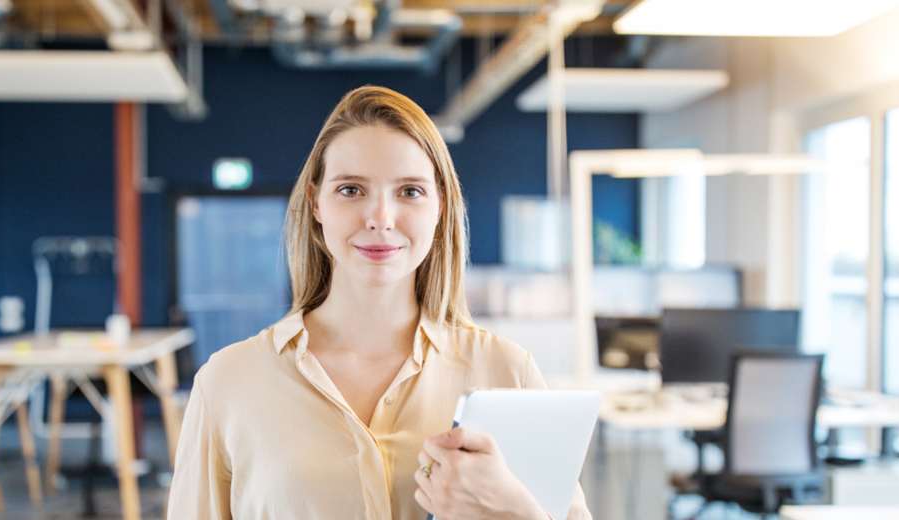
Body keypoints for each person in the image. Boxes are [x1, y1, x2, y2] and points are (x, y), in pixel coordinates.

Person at [166, 86, 592, 520]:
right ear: (316, 203)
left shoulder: (507, 373)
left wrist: (516, 513)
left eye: (409, 192)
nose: (381, 219)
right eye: (351, 190)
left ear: (440, 206)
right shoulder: (228, 382)